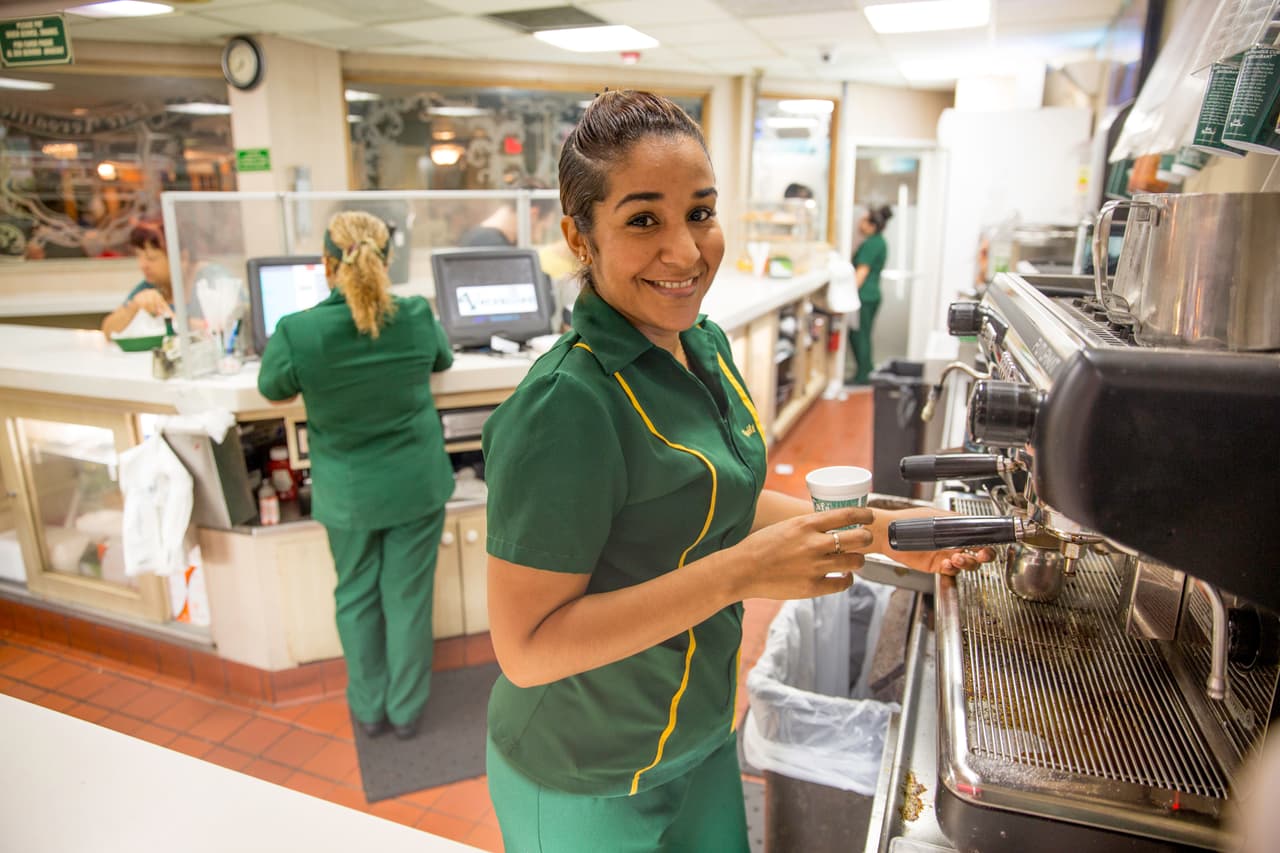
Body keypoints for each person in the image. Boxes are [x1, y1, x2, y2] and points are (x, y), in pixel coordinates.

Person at [480, 90, 991, 851]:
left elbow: (725, 503)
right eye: (643, 219)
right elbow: (527, 648)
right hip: (586, 770)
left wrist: (892, 529)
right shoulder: (565, 407)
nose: (686, 252)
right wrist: (740, 574)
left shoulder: (703, 346)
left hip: (701, 731)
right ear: (579, 237)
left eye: (701, 212)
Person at [257, 211, 455, 741]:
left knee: (356, 595)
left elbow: (272, 387)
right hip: (415, 484)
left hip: (349, 494)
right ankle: (408, 710)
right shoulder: (414, 314)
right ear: (386, 262)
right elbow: (443, 359)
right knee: (408, 598)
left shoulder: (299, 330)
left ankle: (369, 711)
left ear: (326, 264)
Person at [99, 221, 225, 337]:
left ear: (182, 257)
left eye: (151, 258)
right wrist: (133, 308)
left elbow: (229, 328)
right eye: (139, 256)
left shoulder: (212, 278)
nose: (142, 265)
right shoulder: (151, 286)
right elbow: (108, 330)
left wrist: (172, 320)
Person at [848, 204, 893, 385]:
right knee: (862, 334)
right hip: (870, 294)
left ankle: (864, 375)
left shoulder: (872, 244)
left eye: (863, 220)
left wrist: (849, 295)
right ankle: (864, 371)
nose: (859, 223)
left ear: (872, 225)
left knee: (860, 335)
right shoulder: (879, 241)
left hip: (864, 295)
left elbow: (862, 272)